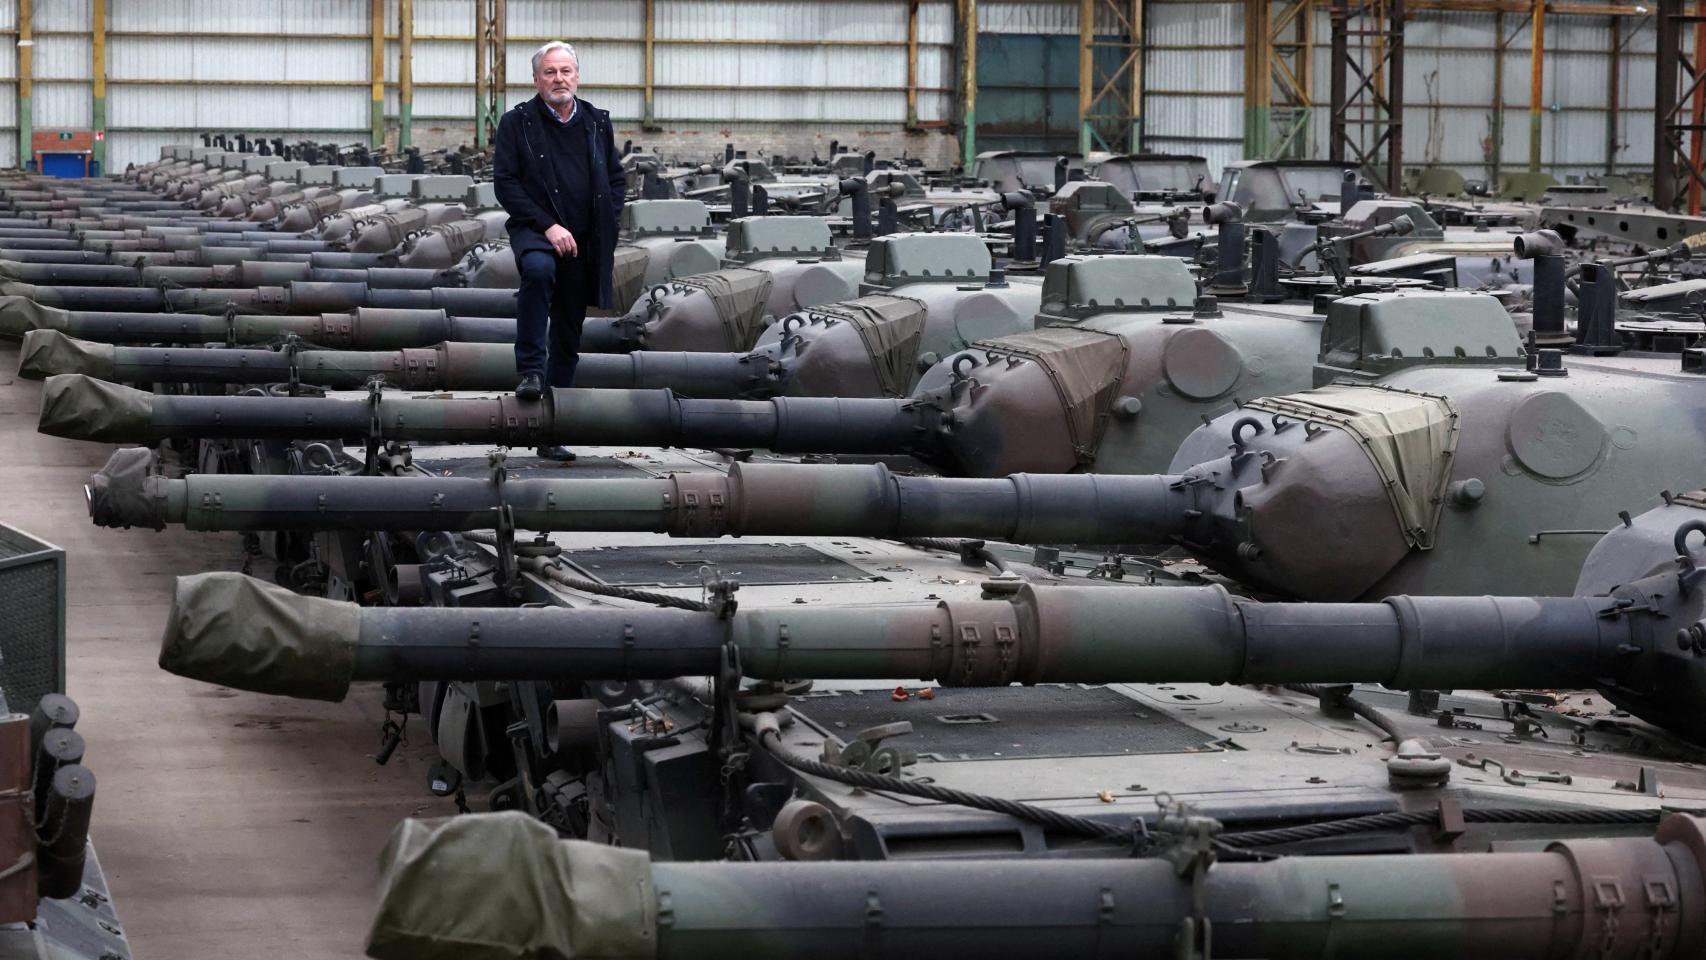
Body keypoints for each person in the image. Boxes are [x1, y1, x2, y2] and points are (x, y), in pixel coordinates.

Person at [492, 40, 626, 461]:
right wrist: (548, 226)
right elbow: (506, 183)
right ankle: (530, 371)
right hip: (536, 227)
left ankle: (553, 429)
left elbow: (617, 179)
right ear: (536, 79)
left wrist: (607, 217)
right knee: (537, 270)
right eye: (550, 72)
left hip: (585, 240)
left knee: (569, 329)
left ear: (577, 76)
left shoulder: (595, 121)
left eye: (565, 71)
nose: (558, 79)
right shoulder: (518, 123)